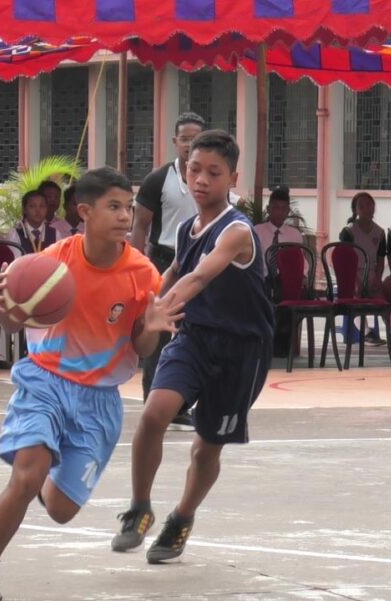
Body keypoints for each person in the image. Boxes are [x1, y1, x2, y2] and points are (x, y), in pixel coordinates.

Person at [0, 167, 182, 601]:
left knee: (62, 511)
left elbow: (140, 349)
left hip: (100, 399)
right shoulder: (51, 262)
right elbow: (14, 320)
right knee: (27, 476)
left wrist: (153, 327)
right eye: (114, 207)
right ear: (85, 212)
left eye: (128, 207)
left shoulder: (142, 274)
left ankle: (53, 482)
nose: (125, 216)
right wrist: (1, 304)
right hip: (45, 380)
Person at [112, 130, 274, 565]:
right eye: (194, 169)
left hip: (242, 349)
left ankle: (182, 517)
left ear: (232, 178)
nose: (201, 179)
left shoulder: (236, 231)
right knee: (153, 414)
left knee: (206, 447)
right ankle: (139, 507)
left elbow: (200, 275)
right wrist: (143, 308)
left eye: (213, 172)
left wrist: (160, 307)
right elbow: (177, 270)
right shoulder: (187, 226)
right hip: (195, 337)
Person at [130, 112, 208, 432]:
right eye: (185, 139)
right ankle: (154, 400)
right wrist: (136, 265)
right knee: (161, 332)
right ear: (175, 142)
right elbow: (140, 225)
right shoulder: (159, 179)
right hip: (165, 260)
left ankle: (183, 403)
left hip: (202, 262)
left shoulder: (208, 178)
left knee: (197, 333)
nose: (191, 145)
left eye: (196, 138)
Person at [339, 191, 390, 344]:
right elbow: (346, 261)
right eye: (362, 206)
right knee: (356, 297)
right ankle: (368, 333)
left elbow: (381, 260)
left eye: (369, 205)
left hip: (372, 273)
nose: (366, 208)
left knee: (381, 299)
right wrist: (356, 282)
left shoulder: (380, 233)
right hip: (352, 273)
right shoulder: (348, 231)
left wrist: (377, 278)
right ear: (356, 210)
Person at [5, 190, 58, 255]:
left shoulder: (55, 233)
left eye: (41, 206)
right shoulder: (15, 234)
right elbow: (16, 262)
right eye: (32, 206)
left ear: (46, 209)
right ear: (24, 209)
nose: (38, 210)